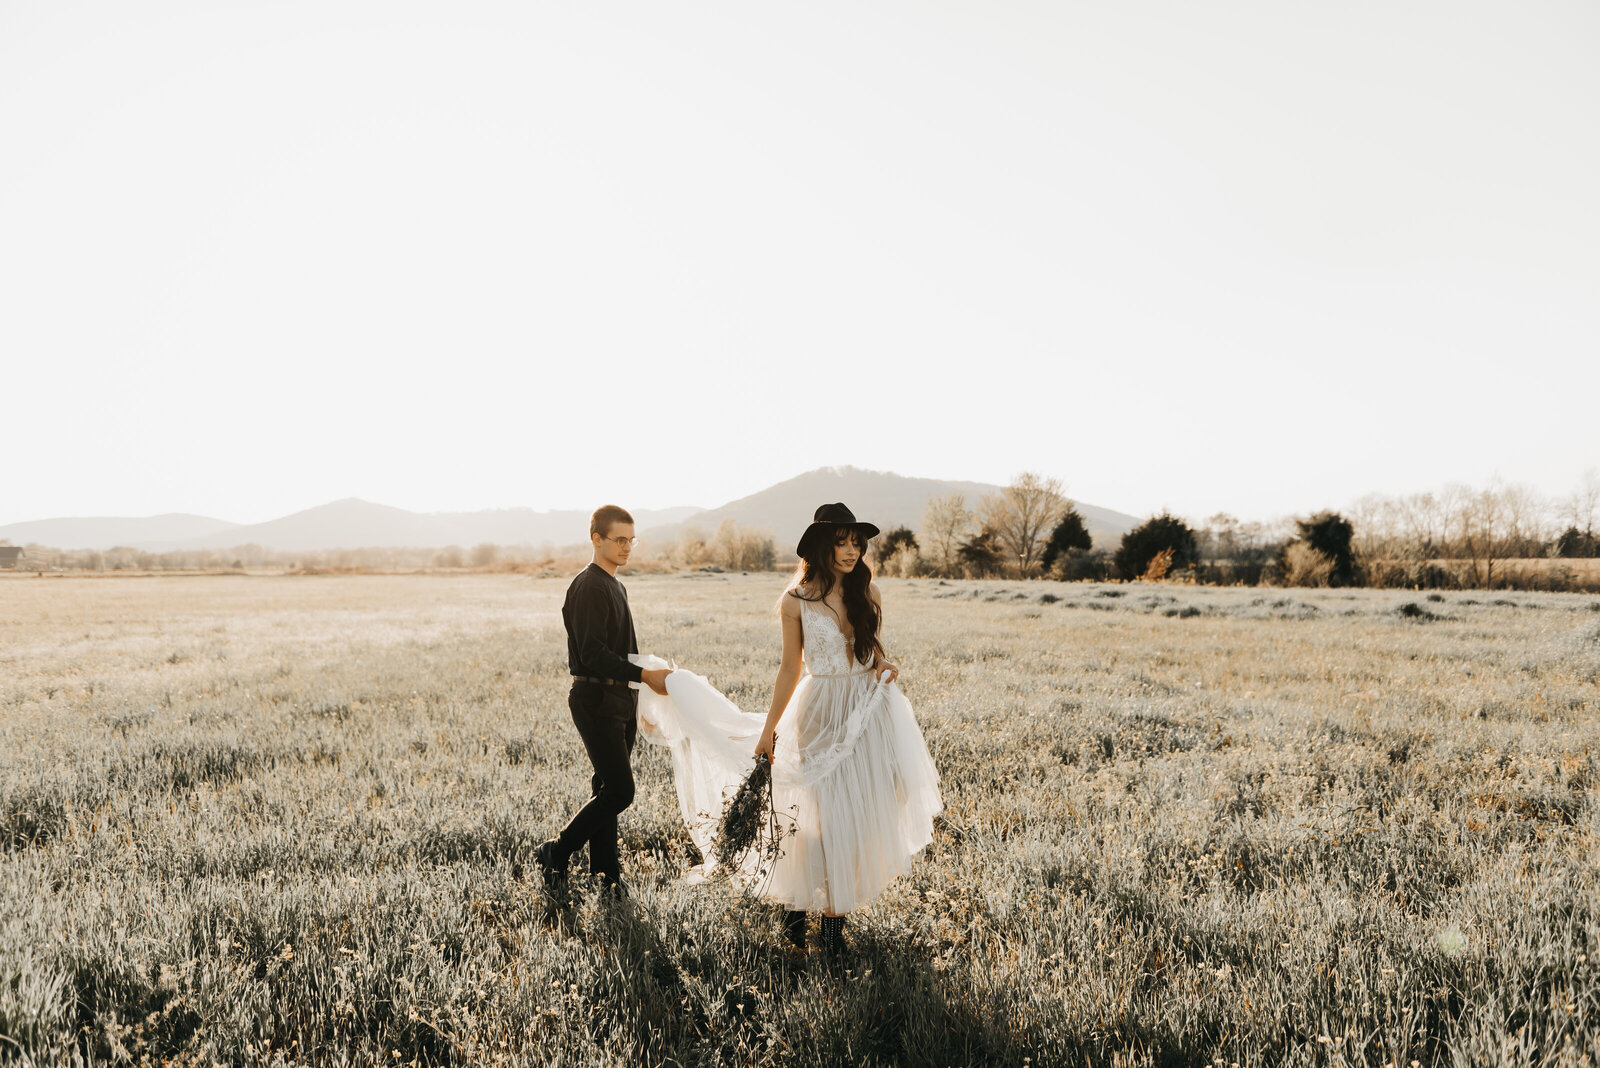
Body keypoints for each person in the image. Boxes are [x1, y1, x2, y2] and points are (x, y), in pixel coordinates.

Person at [751, 502, 943, 955]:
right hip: (819, 711)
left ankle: (834, 933)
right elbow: (788, 670)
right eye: (842, 541)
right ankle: (795, 922)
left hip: (866, 710)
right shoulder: (794, 601)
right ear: (822, 545)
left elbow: (870, 649)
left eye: (857, 542)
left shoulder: (868, 593)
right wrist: (768, 730)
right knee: (814, 817)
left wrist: (881, 664)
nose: (852, 550)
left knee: (855, 817)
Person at [535, 505, 672, 897]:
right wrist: (644, 676)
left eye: (632, 539)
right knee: (620, 791)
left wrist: (638, 696)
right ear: (596, 539)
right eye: (620, 539)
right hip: (594, 696)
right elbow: (593, 653)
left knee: (606, 787)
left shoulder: (616, 584)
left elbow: (624, 652)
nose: (628, 547)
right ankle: (556, 851)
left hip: (619, 697)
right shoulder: (589, 586)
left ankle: (606, 877)